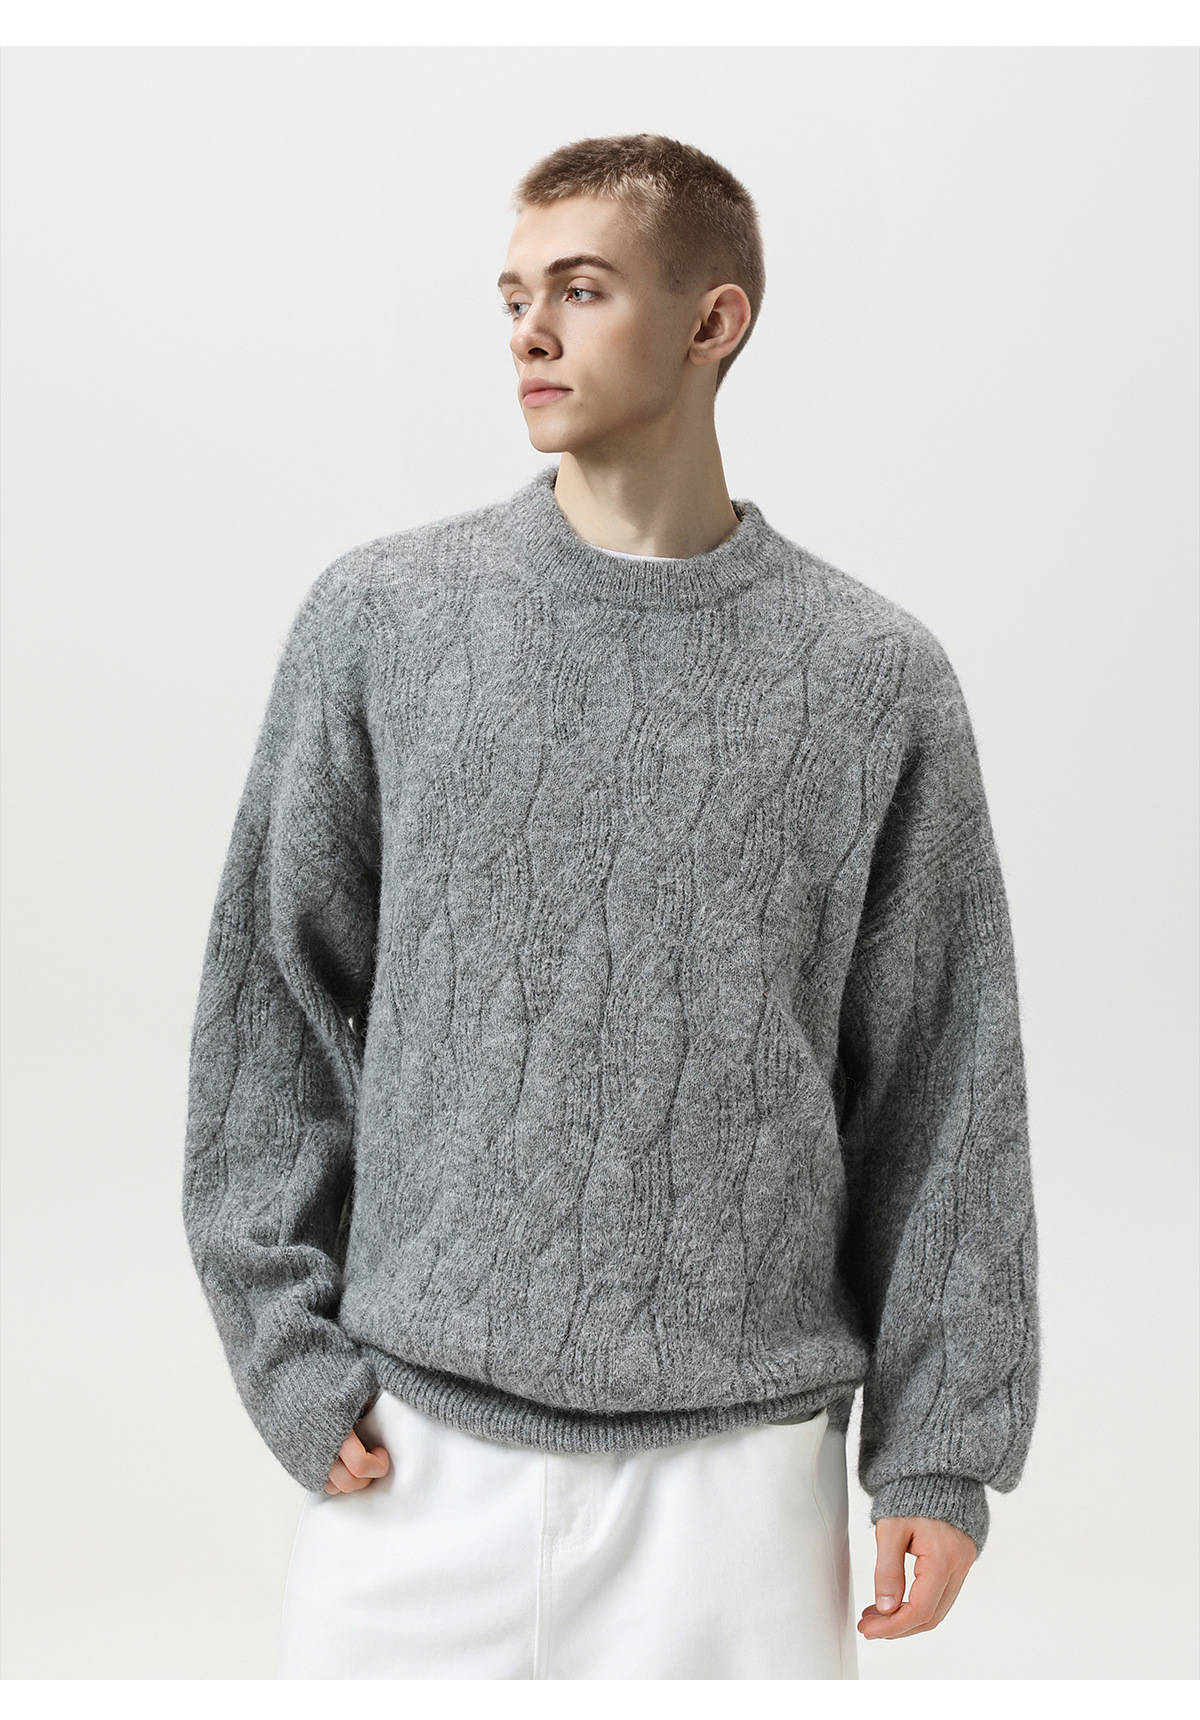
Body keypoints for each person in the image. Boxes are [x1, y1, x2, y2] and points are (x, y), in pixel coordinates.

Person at [182, 132, 1040, 1681]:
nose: (529, 331)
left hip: (740, 1495)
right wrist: (285, 1352)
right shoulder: (386, 621)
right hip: (411, 1465)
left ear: (715, 320)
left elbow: (942, 1083)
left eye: (580, 290)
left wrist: (938, 1450)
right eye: (514, 295)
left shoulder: (872, 678)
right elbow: (273, 1007)